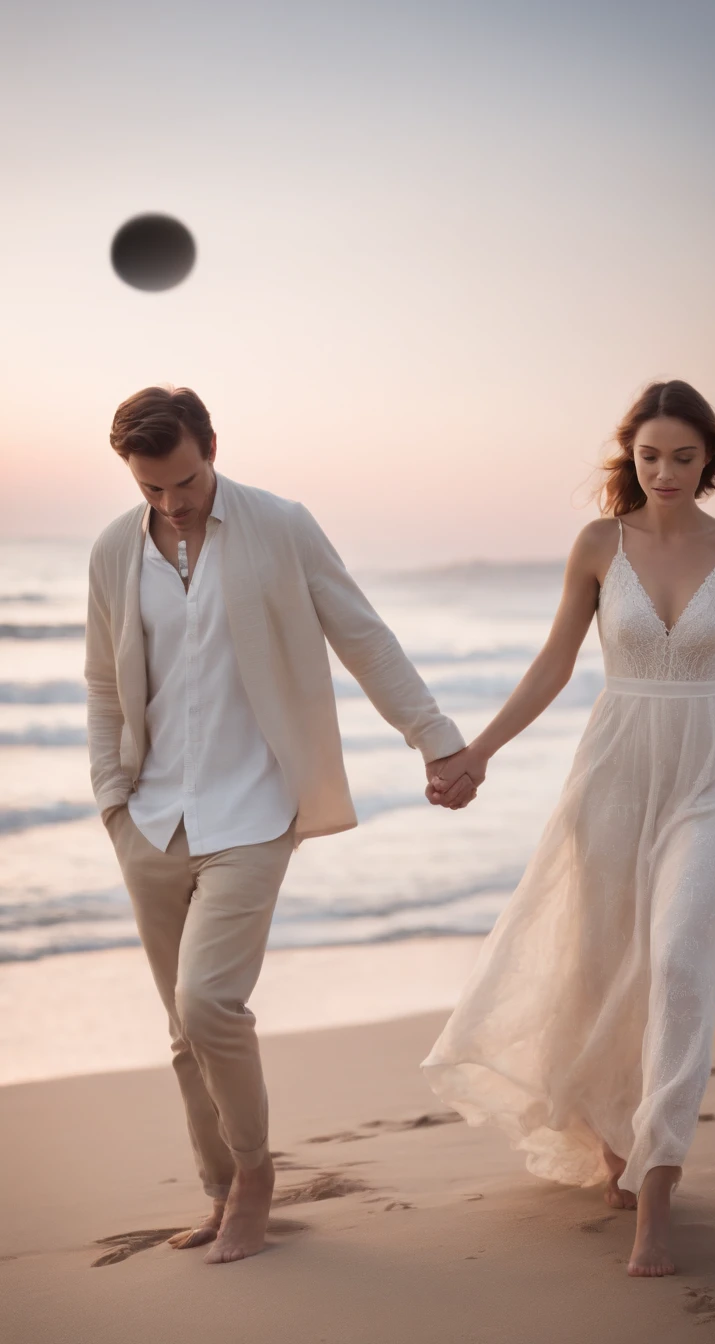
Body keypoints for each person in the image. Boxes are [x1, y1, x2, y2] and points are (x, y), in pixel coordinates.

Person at [85, 384, 475, 1265]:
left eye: (183, 481)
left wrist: (437, 741)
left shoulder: (281, 525)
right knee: (184, 1035)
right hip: (150, 817)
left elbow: (363, 637)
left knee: (209, 1002)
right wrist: (113, 799)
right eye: (151, 489)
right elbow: (104, 682)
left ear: (211, 446)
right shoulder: (116, 549)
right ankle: (219, 1190)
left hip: (255, 809)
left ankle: (257, 1177)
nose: (171, 504)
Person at [422, 379, 715, 1277]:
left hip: (705, 776)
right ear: (632, 457)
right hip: (612, 776)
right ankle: (616, 1138)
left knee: (682, 963)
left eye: (683, 457)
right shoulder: (596, 546)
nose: (665, 471)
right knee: (607, 960)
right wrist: (480, 751)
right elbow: (554, 663)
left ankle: (657, 1188)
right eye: (649, 456)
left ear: (710, 461)